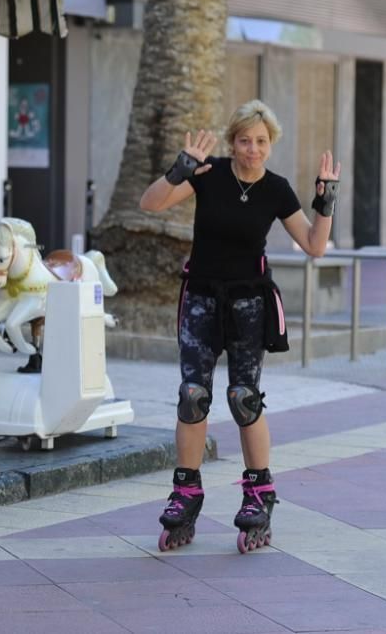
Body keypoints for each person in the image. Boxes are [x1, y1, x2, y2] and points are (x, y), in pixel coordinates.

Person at [139, 99, 340, 553]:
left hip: (249, 304)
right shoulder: (208, 173)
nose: (252, 149)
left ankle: (259, 494)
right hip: (201, 298)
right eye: (245, 141)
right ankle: (186, 492)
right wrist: (180, 170)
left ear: (272, 145)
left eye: (261, 142)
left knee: (243, 397)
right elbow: (149, 204)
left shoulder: (277, 188)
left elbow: (315, 244)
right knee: (193, 395)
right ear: (233, 142)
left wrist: (326, 198)